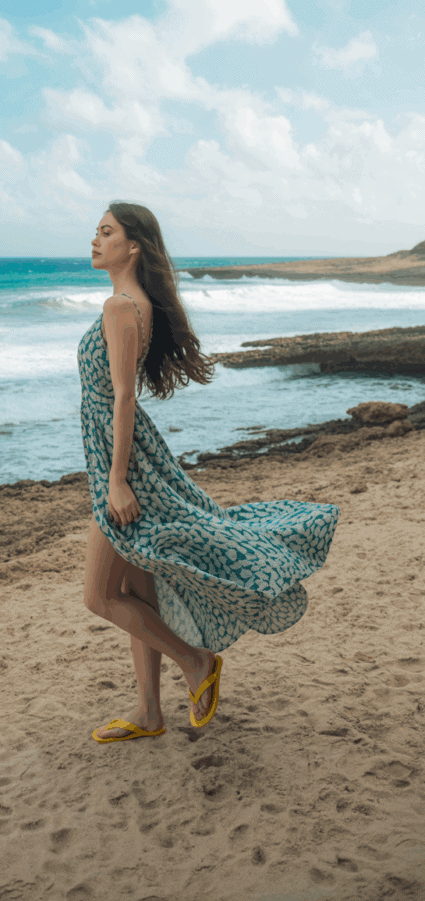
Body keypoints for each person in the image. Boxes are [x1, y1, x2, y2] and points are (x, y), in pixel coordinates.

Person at [77, 201, 339, 743]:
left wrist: (118, 478)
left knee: (100, 597)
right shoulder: (134, 303)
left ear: (134, 247)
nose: (95, 239)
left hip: (125, 460)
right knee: (139, 592)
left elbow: (124, 397)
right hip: (122, 452)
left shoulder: (120, 307)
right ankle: (149, 713)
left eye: (107, 232)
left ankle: (196, 663)